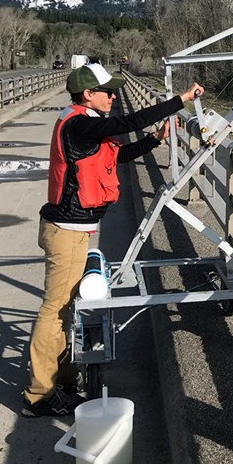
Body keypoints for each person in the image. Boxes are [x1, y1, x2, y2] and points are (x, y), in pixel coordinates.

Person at [22, 61, 204, 417]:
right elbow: (127, 123)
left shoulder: (84, 126)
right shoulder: (77, 124)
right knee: (55, 309)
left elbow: (118, 154)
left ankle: (62, 377)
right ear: (88, 94)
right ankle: (38, 395)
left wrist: (154, 140)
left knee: (68, 307)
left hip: (72, 231)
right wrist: (179, 100)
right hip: (64, 232)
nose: (113, 96)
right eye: (107, 91)